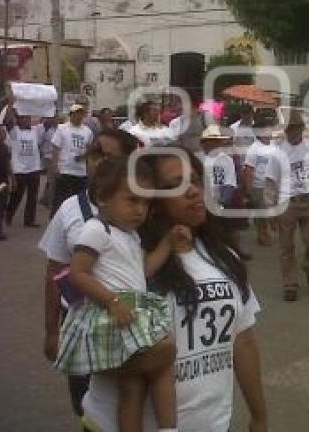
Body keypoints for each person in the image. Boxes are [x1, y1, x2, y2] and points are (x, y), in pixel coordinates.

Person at [82, 149, 268, 432]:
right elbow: (91, 349)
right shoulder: (124, 262)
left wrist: (259, 416)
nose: (193, 191)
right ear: (150, 200)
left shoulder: (224, 256)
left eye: (195, 180)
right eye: (175, 186)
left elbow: (242, 340)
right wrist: (155, 359)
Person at [53, 156, 178, 432]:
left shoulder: (130, 235)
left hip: (127, 310)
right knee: (166, 356)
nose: (140, 210)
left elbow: (145, 269)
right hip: (110, 313)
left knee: (132, 386)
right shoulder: (97, 230)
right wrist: (112, 302)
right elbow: (78, 272)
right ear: (103, 198)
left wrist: (168, 243)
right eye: (132, 200)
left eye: (145, 203)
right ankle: (169, 428)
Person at [40, 129, 141, 419]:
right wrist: (51, 332)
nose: (97, 163)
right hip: (80, 326)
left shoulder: (142, 211)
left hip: (131, 325)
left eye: (109, 157)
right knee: (86, 408)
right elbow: (54, 271)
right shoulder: (69, 209)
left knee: (129, 404)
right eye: (95, 155)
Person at [266, 109, 309, 302]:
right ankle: (290, 284)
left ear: (301, 129)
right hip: (287, 201)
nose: (293, 132)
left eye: (297, 128)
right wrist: (271, 208)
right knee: (286, 246)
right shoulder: (278, 152)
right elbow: (271, 182)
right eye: (290, 129)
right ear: (286, 130)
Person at [4, 107, 45, 228]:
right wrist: (11, 106)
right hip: (19, 170)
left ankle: (29, 220)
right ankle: (8, 216)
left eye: (28, 118)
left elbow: (48, 121)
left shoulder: (35, 130)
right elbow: (7, 121)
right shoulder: (14, 131)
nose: (27, 120)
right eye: (24, 118)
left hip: (34, 169)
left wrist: (49, 106)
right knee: (16, 196)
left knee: (32, 197)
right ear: (18, 120)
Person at [51, 104, 94, 215]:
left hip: (80, 171)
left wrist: (87, 164)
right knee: (60, 199)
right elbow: (56, 149)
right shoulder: (62, 128)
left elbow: (89, 151)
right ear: (71, 115)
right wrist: (55, 167)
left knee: (80, 200)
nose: (79, 116)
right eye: (77, 113)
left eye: (81, 114)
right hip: (65, 170)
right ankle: (55, 218)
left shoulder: (87, 131)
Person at [243, 116, 278, 247]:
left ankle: (270, 226)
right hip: (259, 186)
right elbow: (248, 170)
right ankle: (262, 234)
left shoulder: (274, 145)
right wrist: (249, 189)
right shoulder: (254, 148)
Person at [39, 116, 59, 208]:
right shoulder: (47, 130)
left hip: (57, 157)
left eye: (57, 119)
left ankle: (45, 198)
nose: (56, 120)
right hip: (48, 157)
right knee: (52, 181)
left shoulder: (60, 130)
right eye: (54, 118)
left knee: (50, 179)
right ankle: (51, 202)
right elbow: (40, 143)